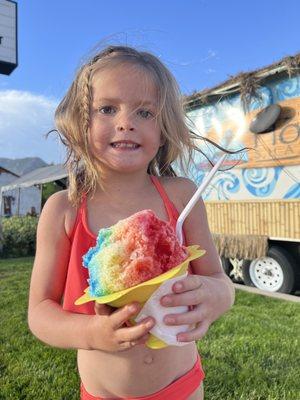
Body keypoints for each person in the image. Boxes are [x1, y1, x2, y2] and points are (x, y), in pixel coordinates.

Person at [28, 45, 235, 400]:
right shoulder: (63, 209)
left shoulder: (182, 196)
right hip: (104, 392)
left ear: (164, 126)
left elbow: (218, 279)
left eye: (145, 112)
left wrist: (217, 295)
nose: (126, 122)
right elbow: (40, 312)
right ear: (80, 120)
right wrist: (94, 332)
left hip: (182, 387)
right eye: (107, 109)